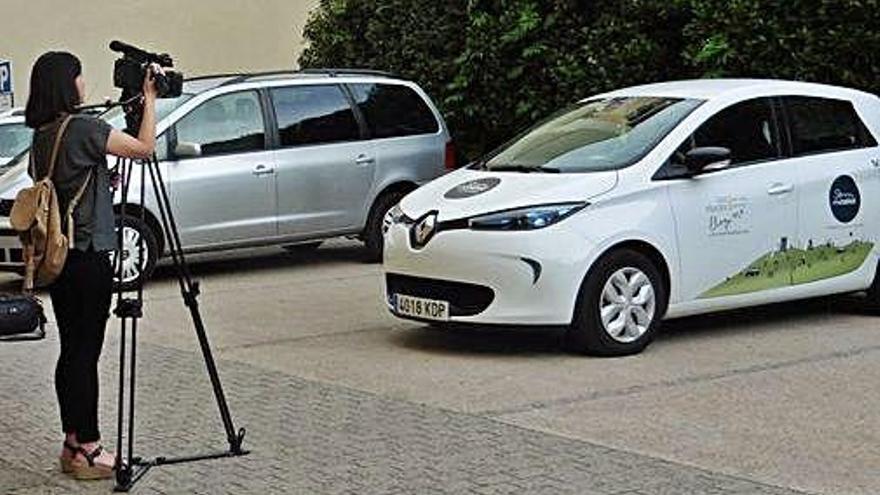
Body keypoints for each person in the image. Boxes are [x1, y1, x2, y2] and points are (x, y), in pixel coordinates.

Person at [24, 51, 158, 480]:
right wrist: (150, 99)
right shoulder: (84, 128)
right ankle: (92, 447)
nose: (84, 83)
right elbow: (143, 148)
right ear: (68, 83)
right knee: (86, 356)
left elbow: (70, 181)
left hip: (61, 260)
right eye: (79, 76)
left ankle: (71, 443)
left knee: (71, 351)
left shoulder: (43, 135)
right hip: (89, 258)